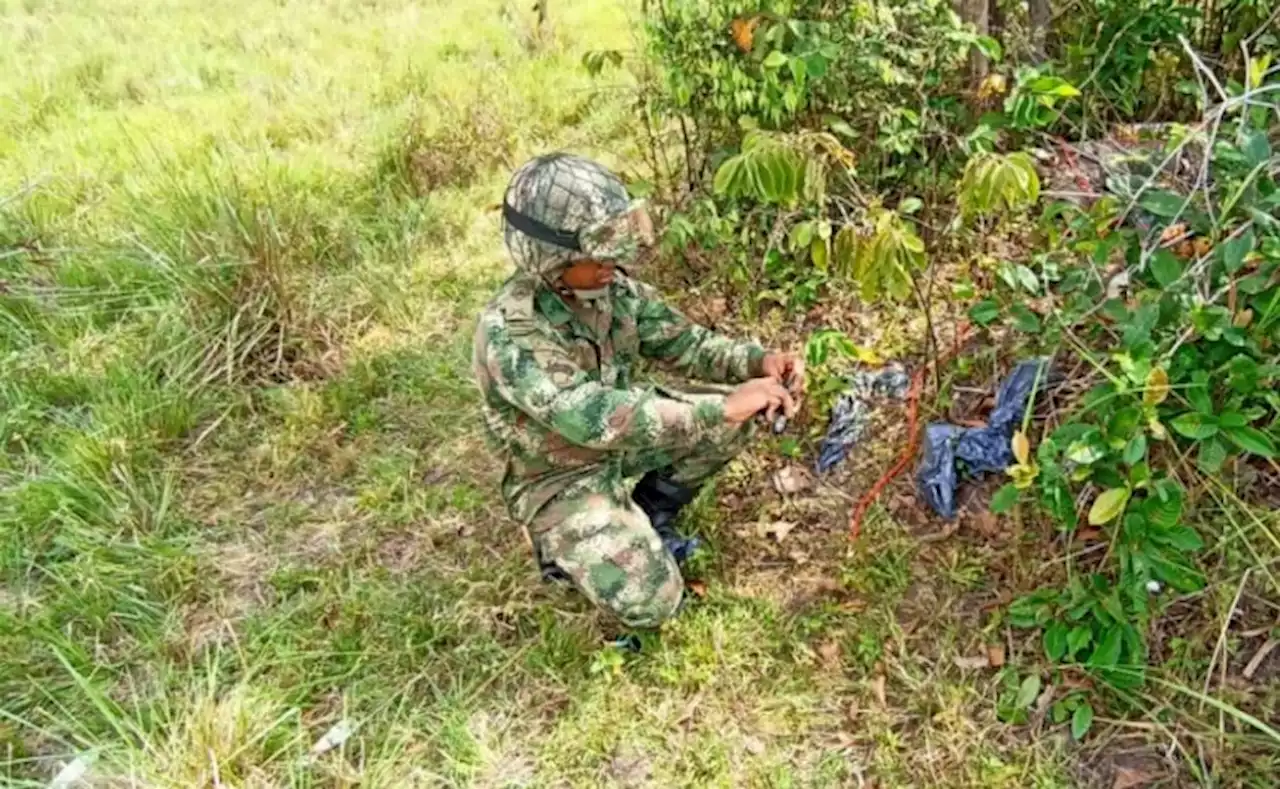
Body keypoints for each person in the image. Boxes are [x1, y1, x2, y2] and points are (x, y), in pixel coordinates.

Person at [472, 153, 804, 628]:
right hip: (559, 476)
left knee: (737, 418)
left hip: (622, 446)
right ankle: (560, 547)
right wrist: (719, 408)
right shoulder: (513, 334)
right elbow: (592, 416)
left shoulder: (610, 291)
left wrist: (757, 361)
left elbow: (684, 342)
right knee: (653, 602)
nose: (614, 262)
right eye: (598, 252)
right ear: (551, 257)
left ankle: (649, 515)